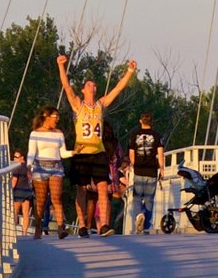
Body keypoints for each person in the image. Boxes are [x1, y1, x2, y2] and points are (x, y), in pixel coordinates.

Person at [57, 53, 137, 236]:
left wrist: (130, 72)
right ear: (84, 90)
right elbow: (66, 86)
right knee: (82, 188)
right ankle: (83, 224)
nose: (92, 86)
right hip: (82, 152)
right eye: (89, 84)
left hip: (98, 151)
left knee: (103, 186)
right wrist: (61, 66)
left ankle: (104, 225)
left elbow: (117, 89)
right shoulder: (78, 105)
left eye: (94, 84)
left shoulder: (100, 105)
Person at [25, 108, 68, 239]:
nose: (57, 120)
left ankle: (61, 228)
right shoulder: (35, 133)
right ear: (46, 117)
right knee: (41, 200)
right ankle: (38, 227)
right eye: (55, 116)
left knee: (57, 197)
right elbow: (31, 152)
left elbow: (63, 153)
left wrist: (75, 152)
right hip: (40, 167)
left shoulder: (59, 133)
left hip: (56, 167)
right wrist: (29, 167)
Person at [127, 114, 164, 235]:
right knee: (149, 200)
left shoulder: (134, 135)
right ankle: (146, 226)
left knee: (137, 198)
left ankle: (139, 215)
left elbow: (131, 153)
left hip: (139, 170)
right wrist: (162, 169)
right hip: (152, 171)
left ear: (140, 121)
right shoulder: (157, 135)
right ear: (151, 122)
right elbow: (160, 153)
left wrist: (134, 165)